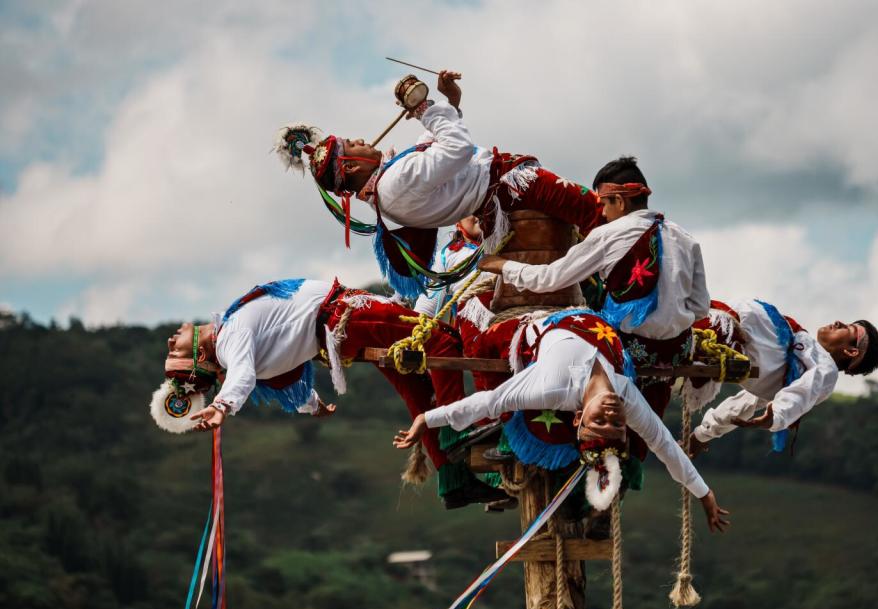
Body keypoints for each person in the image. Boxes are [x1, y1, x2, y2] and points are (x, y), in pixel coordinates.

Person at [151, 277, 506, 508]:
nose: (170, 340)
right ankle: (471, 443)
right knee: (442, 342)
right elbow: (242, 374)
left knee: (417, 387)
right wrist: (222, 405)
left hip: (342, 329)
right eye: (174, 351)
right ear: (199, 355)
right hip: (347, 317)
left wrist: (312, 404)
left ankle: (453, 480)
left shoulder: (234, 335)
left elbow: (286, 371)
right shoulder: (230, 337)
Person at [393, 309, 731, 533]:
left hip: (547, 322)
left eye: (599, 424)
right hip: (599, 320)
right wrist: (704, 494)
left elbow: (491, 401)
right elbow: (665, 446)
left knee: (481, 339)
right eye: (617, 427)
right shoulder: (626, 394)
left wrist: (427, 418)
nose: (612, 418)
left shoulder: (550, 388)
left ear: (579, 418)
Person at [275, 71, 604, 296]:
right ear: (350, 165)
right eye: (353, 143)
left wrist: (449, 101)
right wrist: (423, 108)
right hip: (513, 188)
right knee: (595, 213)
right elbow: (456, 149)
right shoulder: (394, 183)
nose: (361, 139)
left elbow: (435, 147)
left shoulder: (389, 184)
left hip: (497, 203)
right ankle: (629, 284)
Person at [480, 156, 709, 416]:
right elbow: (700, 308)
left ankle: (536, 426)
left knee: (559, 329)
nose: (601, 212)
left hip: (628, 351)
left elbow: (549, 279)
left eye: (603, 204)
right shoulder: (685, 238)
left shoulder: (607, 235)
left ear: (620, 202)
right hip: (677, 350)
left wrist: (502, 266)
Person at [687, 299, 878, 457]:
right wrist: (702, 434)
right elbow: (744, 404)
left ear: (850, 351)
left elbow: (803, 392)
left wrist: (778, 414)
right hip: (723, 324)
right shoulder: (798, 360)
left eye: (847, 329)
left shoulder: (826, 370)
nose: (839, 322)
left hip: (724, 328)